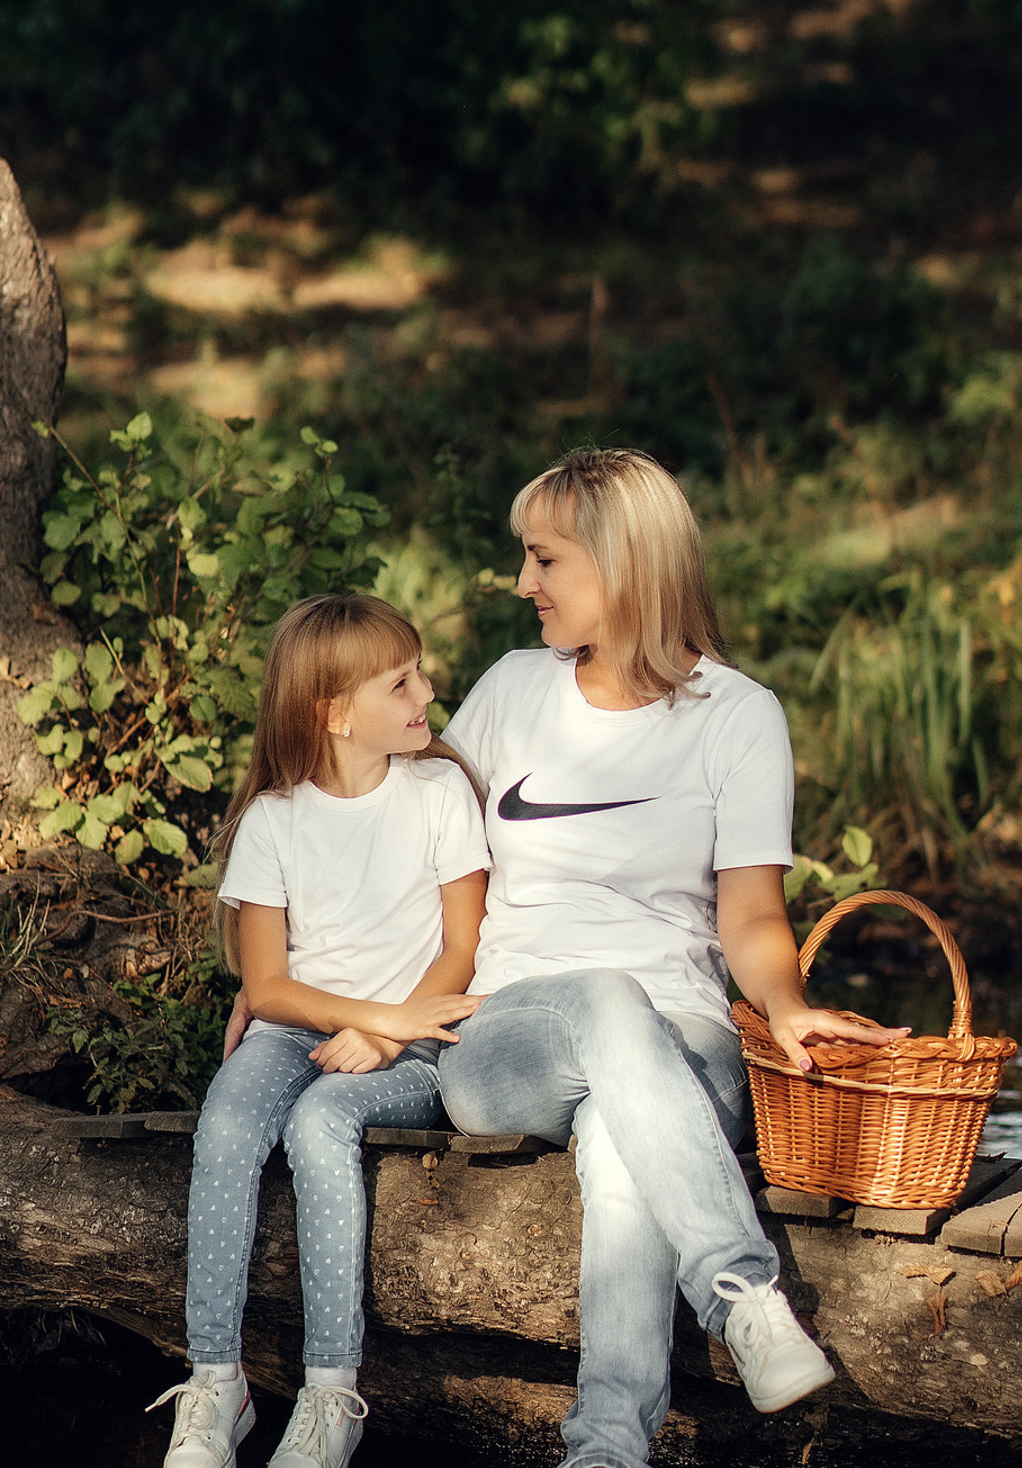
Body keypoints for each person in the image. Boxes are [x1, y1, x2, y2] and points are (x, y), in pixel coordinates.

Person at [437, 447, 908, 1468]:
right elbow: (435, 880)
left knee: (620, 1141)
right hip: (505, 1039)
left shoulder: (738, 718)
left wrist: (781, 1005)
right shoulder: (512, 692)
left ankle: (608, 1448)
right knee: (607, 998)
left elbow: (749, 916)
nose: (525, 585)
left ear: (624, 564)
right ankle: (744, 1300)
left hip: (682, 1040)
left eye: (545, 560)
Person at [148, 594, 490, 1468]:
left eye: (420, 670)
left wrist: (388, 1035)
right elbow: (267, 987)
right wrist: (367, 1017)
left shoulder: (439, 791)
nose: (427, 690)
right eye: (402, 680)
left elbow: (462, 947)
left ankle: (332, 1389)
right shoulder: (275, 819)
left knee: (315, 1123)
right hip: (305, 1029)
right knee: (226, 1125)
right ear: (333, 712)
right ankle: (216, 1383)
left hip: (416, 1045)